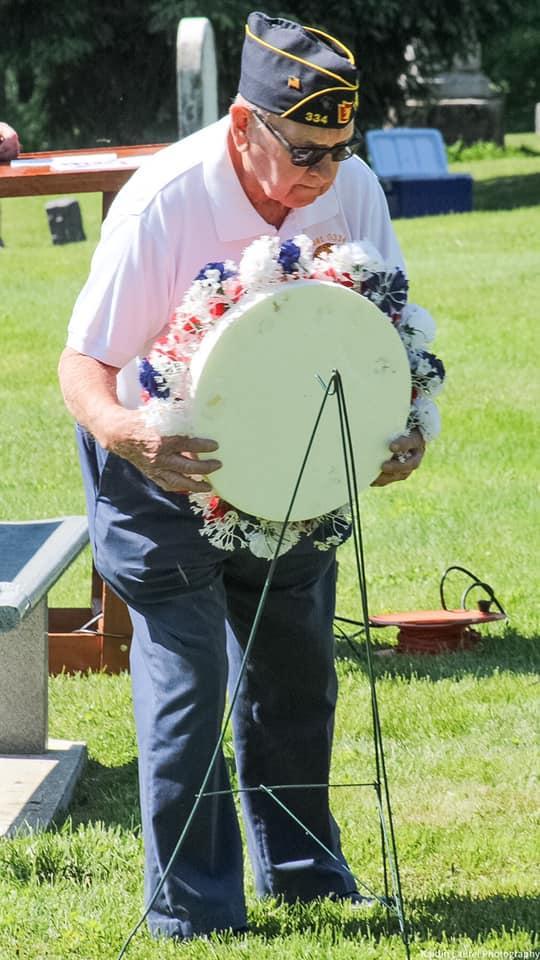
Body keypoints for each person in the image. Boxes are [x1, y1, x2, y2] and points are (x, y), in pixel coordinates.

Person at [58, 12, 425, 941]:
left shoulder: (352, 190)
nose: (324, 174)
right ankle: (197, 913)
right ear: (241, 126)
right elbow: (83, 365)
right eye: (304, 151)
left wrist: (404, 426)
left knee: (296, 677)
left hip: (294, 466)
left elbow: (384, 337)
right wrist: (128, 435)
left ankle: (307, 878)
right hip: (156, 461)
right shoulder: (164, 201)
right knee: (189, 688)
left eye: (340, 150)